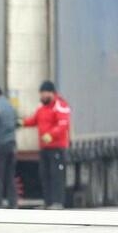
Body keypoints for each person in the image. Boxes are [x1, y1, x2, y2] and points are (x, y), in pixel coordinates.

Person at [22, 80, 70, 209]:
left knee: (56, 176)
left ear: (52, 93)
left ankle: (57, 202)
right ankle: (48, 202)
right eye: (41, 94)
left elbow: (63, 125)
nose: (42, 96)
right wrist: (22, 123)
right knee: (45, 175)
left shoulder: (60, 106)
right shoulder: (41, 108)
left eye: (44, 93)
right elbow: (34, 120)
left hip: (57, 148)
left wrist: (51, 135)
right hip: (44, 148)